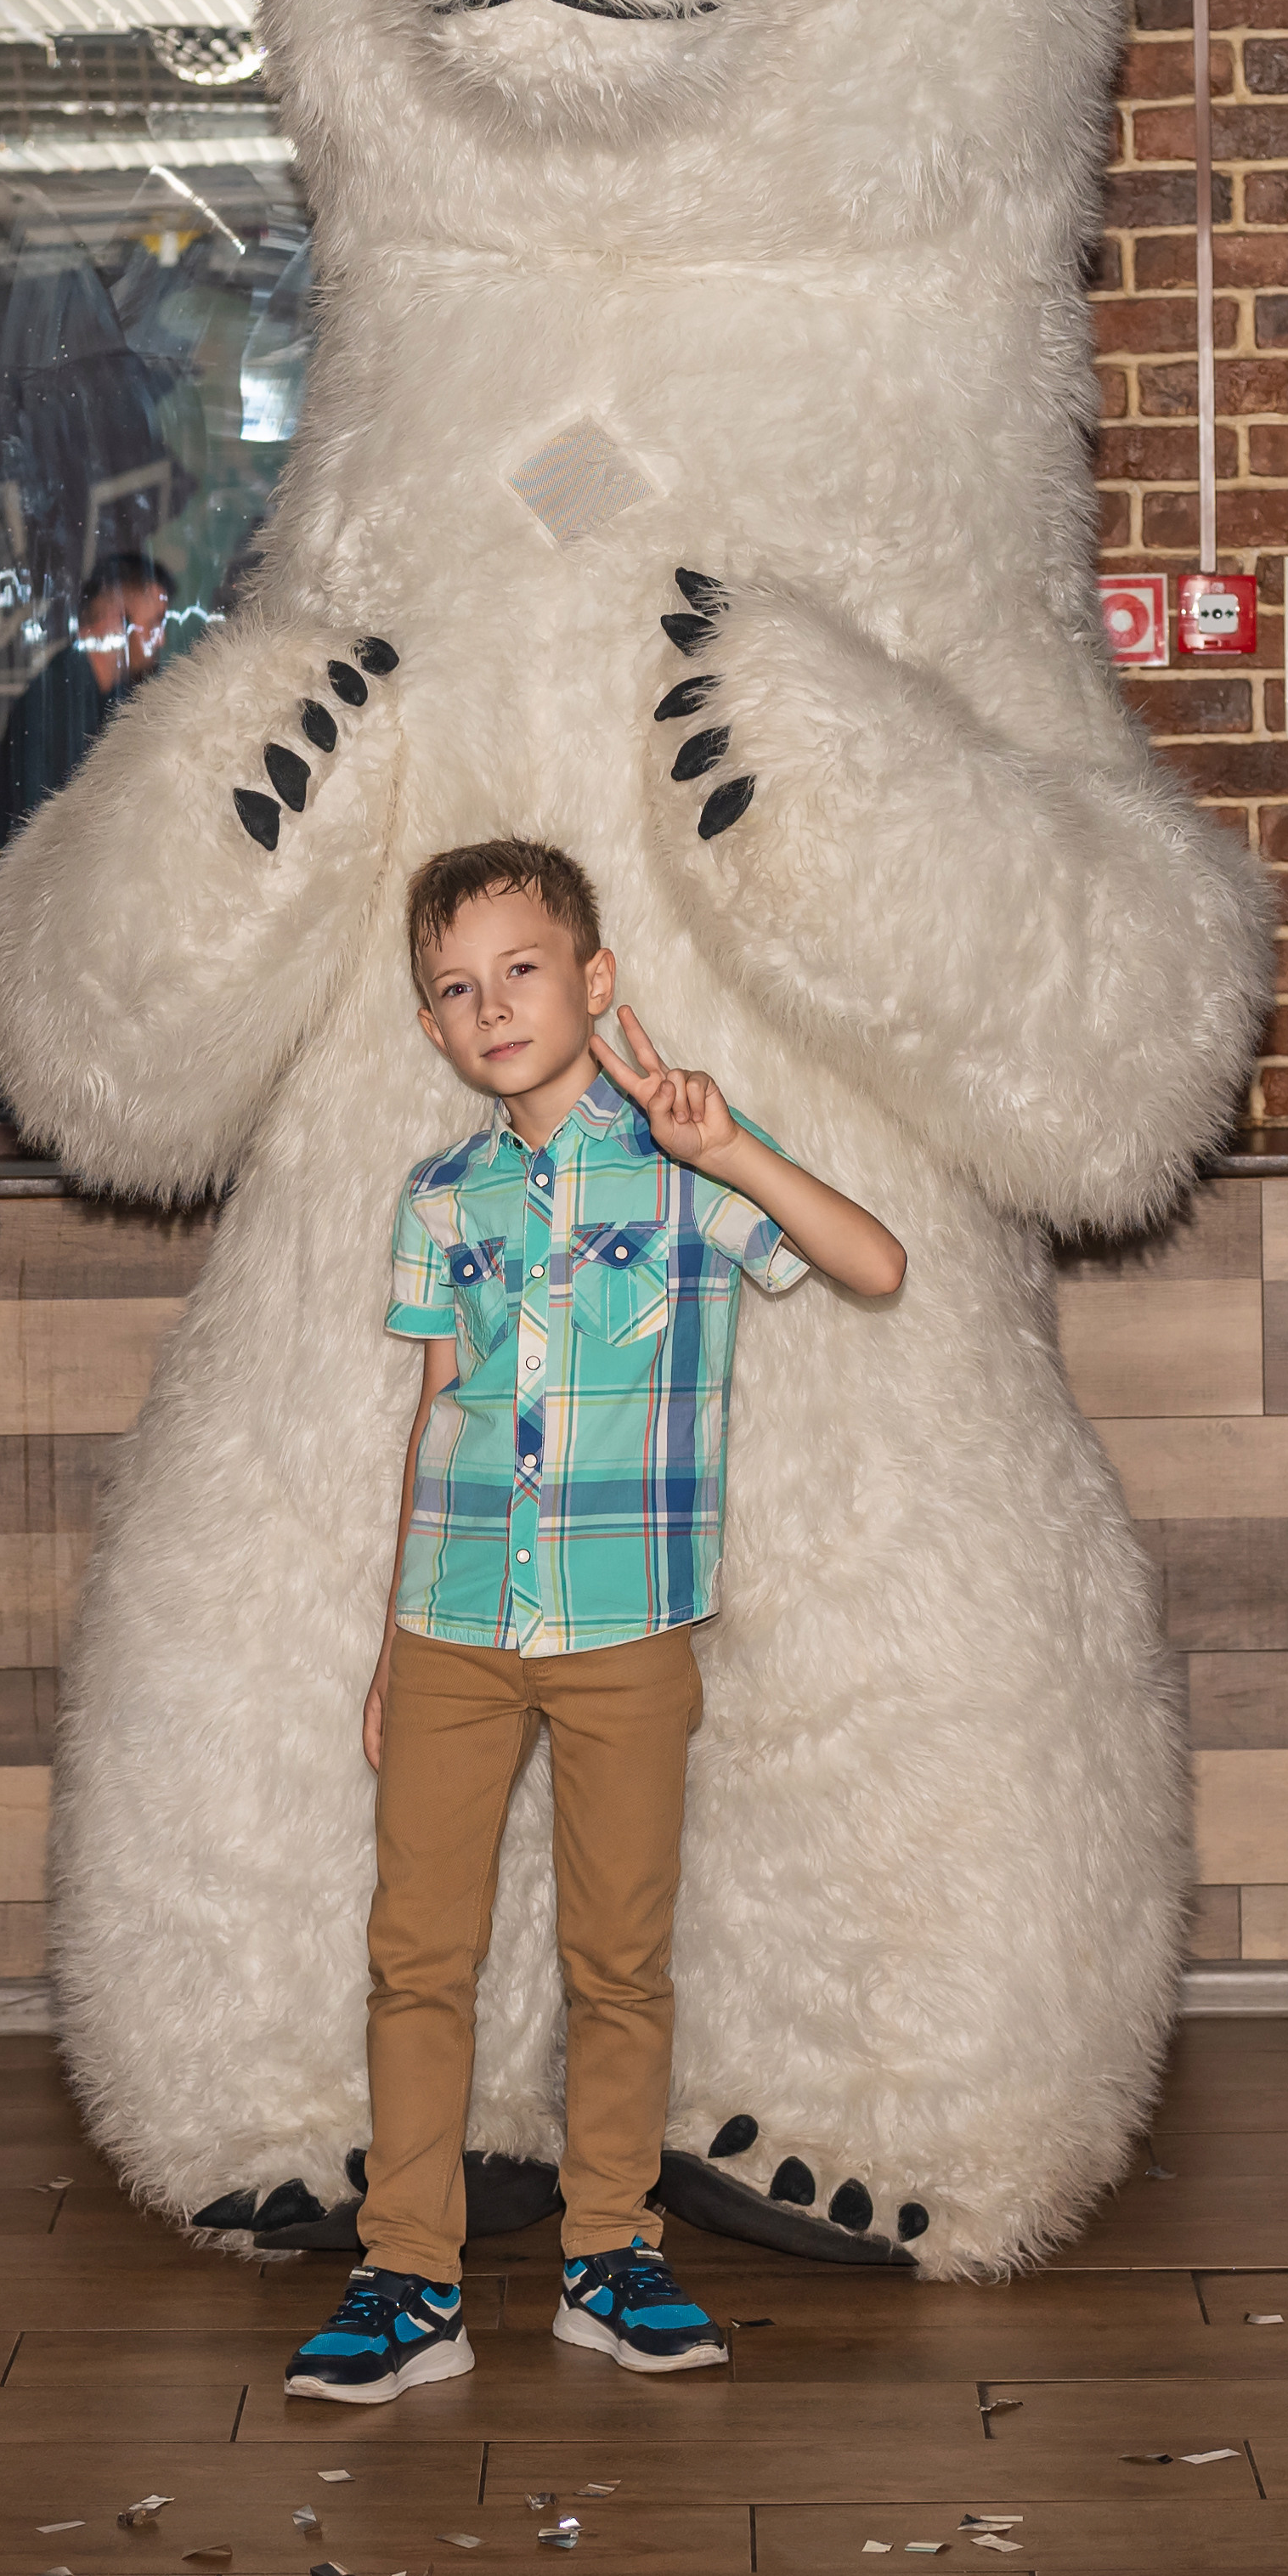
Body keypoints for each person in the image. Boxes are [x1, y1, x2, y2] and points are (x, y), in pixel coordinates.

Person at [284, 837, 907, 2406]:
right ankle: (404, 2281)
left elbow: (875, 1266)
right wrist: (384, 1639)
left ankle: (606, 2255)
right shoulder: (440, 1201)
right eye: (453, 986)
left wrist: (733, 1152)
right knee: (414, 1956)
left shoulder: (686, 1162)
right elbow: (436, 1415)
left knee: (617, 1961)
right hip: (453, 1622)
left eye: (519, 969)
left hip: (629, 1629)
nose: (489, 1004)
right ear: (429, 1030)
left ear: (592, 982)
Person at [0, 551, 172, 869]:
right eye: (154, 623)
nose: (161, 638)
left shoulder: (87, 690)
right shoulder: (59, 697)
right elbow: (50, 830)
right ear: (116, 620)